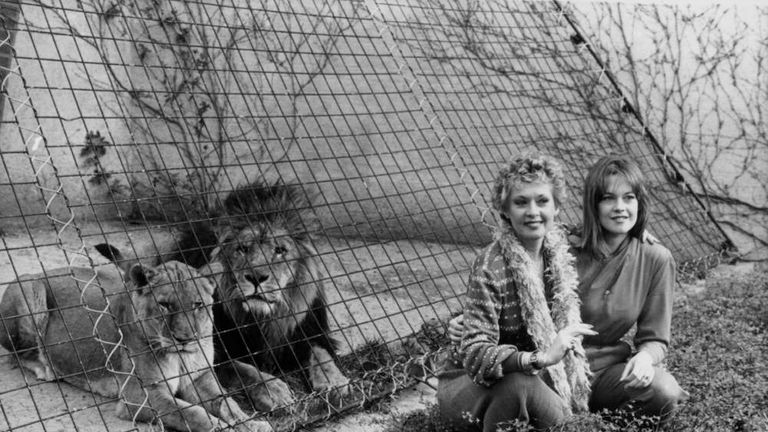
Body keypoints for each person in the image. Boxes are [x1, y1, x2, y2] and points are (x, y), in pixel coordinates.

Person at [448, 155, 688, 425]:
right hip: (545, 367)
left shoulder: (656, 258)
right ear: (592, 204)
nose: (620, 208)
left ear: (639, 202)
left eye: (629, 198)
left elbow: (656, 337)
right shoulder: (562, 246)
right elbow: (505, 289)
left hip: (602, 370)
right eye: (608, 198)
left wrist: (645, 357)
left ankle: (594, 419)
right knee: (536, 401)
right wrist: (466, 322)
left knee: (663, 391)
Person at [436, 154, 596, 432]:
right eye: (521, 202)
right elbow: (475, 355)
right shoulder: (491, 266)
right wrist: (539, 359)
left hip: (535, 379)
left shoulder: (558, 249)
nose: (533, 211)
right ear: (505, 209)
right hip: (473, 385)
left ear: (557, 206)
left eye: (542, 201)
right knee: (519, 384)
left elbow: (610, 228)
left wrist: (640, 234)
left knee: (560, 415)